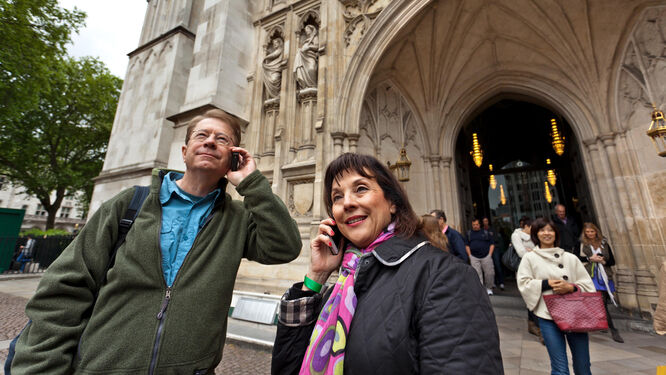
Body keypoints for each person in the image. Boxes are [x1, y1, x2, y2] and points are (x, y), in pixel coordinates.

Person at [6, 109, 302, 374]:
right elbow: (64, 290)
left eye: (222, 139)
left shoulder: (237, 219)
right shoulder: (129, 205)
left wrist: (252, 182)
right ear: (185, 152)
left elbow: (285, 246)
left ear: (234, 158)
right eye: (202, 135)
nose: (211, 141)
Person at [272, 153, 503, 374]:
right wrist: (316, 276)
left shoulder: (444, 276)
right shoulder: (340, 287)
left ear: (392, 202)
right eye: (337, 197)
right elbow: (287, 368)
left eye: (361, 189)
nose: (347, 203)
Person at [517, 217, 595, 375]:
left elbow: (589, 287)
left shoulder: (570, 258)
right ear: (535, 234)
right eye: (542, 230)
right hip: (548, 316)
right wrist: (546, 284)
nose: (547, 233)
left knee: (583, 366)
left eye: (550, 230)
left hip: (575, 315)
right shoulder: (530, 258)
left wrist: (571, 287)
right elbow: (524, 284)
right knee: (560, 368)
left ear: (556, 233)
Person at [579, 222, 624, 343]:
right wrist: (590, 259)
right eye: (587, 232)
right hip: (592, 275)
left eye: (592, 232)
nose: (590, 234)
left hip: (604, 275)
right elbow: (578, 258)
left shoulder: (604, 244)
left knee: (602, 301)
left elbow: (612, 261)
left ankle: (602, 322)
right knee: (601, 301)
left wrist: (603, 261)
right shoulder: (583, 245)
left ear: (596, 232)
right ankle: (613, 329)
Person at [511, 216, 543, 343]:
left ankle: (533, 324)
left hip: (537, 269)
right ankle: (539, 327)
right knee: (532, 297)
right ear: (526, 226)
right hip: (525, 271)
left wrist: (532, 251)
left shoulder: (534, 236)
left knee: (538, 296)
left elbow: (541, 248)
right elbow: (521, 252)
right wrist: (535, 252)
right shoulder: (516, 235)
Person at [465, 218, 495, 295]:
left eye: (477, 224)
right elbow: (467, 245)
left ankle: (489, 288)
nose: (475, 226)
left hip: (486, 256)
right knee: (477, 274)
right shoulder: (469, 233)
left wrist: (490, 255)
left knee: (489, 273)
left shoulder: (486, 232)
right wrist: (470, 256)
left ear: (479, 225)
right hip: (474, 257)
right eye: (473, 225)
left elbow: (492, 244)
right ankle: (481, 289)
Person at [294, 24, 319, 89]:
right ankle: (305, 86)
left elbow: (317, 47)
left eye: (307, 29)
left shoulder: (315, 38)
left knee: (311, 69)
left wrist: (309, 47)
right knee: (301, 71)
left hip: (311, 57)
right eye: (305, 30)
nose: (306, 31)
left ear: (311, 30)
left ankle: (313, 85)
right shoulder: (306, 40)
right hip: (303, 58)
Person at [483, 216, 505, 291]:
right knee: (489, 267)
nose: (485, 222)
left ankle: (501, 282)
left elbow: (496, 239)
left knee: (497, 265)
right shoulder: (482, 231)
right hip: (486, 250)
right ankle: (493, 282)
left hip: (495, 249)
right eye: (484, 221)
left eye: (486, 221)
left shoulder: (492, 230)